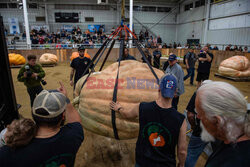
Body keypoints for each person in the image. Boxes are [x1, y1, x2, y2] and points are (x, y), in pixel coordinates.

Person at [110, 74, 187, 167]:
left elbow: (127, 114)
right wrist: (181, 164)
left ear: (159, 88)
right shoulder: (180, 120)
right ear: (175, 92)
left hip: (143, 162)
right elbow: (182, 151)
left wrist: (119, 108)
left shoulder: (142, 107)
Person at [0, 82, 84, 167]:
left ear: (33, 114)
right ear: (63, 116)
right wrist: (65, 98)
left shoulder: (7, 154)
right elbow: (76, 121)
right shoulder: (73, 136)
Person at [195, 81, 250, 167]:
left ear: (218, 121)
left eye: (200, 114)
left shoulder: (233, 161)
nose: (197, 117)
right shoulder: (233, 138)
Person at [185, 80, 213, 167]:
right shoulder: (218, 95)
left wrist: (193, 126)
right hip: (215, 130)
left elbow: (190, 115)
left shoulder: (198, 93)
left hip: (199, 130)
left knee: (192, 154)